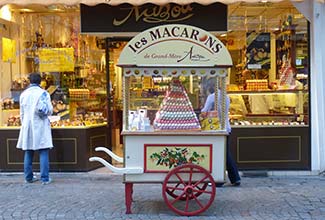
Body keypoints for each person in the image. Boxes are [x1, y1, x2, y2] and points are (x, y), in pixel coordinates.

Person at [16, 73, 53, 185]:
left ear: (29, 81)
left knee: (28, 151)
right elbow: (49, 110)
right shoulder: (43, 93)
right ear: (40, 81)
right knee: (43, 150)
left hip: (27, 125)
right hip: (41, 125)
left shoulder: (23, 94)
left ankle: (28, 177)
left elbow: (21, 113)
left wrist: (24, 124)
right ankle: (45, 178)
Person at [201, 86, 241, 186]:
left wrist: (201, 114)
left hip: (216, 128)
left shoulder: (211, 97)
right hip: (226, 127)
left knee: (219, 154)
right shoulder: (226, 97)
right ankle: (235, 177)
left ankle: (218, 179)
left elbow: (205, 111)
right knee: (225, 153)